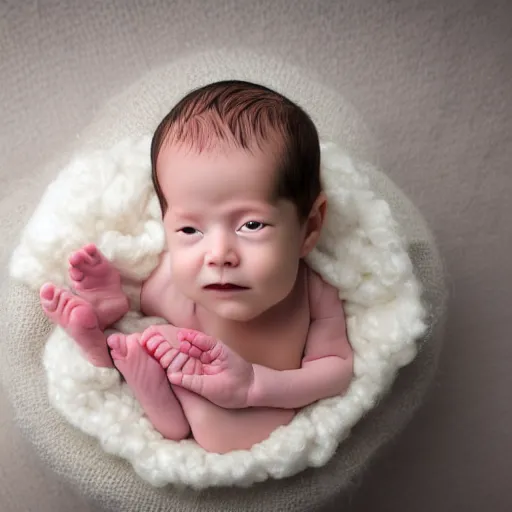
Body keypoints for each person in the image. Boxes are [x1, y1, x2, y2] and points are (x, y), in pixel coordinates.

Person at [39, 80, 354, 453]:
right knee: (162, 305)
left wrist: (255, 385)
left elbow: (335, 370)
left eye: (251, 225)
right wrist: (119, 288)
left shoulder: (312, 291)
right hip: (185, 350)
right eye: (190, 229)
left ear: (309, 228)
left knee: (204, 427)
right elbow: (166, 285)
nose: (218, 254)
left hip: (254, 412)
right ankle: (108, 323)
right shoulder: (189, 276)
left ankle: (149, 379)